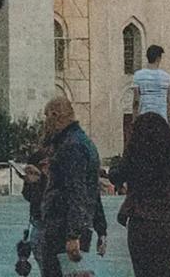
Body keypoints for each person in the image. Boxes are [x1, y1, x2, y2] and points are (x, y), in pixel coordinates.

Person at [116, 112, 170, 277]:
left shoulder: (135, 156)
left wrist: (115, 165)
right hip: (169, 225)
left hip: (141, 223)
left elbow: (117, 176)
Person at [37, 96, 108, 277]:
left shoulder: (71, 147)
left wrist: (72, 235)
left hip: (62, 227)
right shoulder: (83, 142)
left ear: (55, 115)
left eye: (46, 117)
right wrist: (101, 228)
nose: (45, 123)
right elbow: (91, 189)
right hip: (77, 225)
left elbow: (76, 192)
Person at [132, 45, 170, 122]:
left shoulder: (138, 75)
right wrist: (169, 122)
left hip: (144, 117)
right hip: (161, 118)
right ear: (158, 58)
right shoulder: (167, 77)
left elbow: (136, 100)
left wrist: (134, 120)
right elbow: (169, 102)